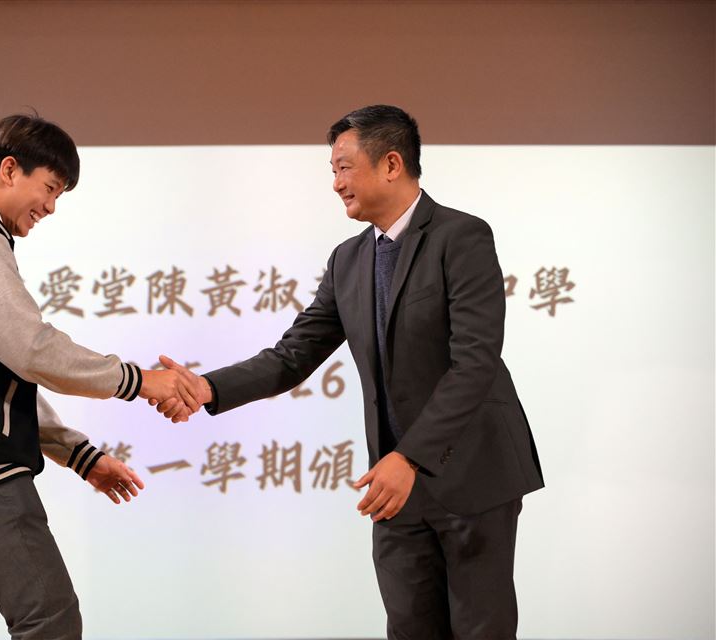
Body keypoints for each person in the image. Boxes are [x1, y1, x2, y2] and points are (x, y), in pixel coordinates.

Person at [155, 105, 543, 639]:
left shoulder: (461, 236)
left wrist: (410, 456)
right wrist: (206, 387)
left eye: (344, 167)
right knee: (408, 628)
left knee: (481, 631)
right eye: (332, 171)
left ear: (391, 164)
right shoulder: (348, 259)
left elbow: (474, 362)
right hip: (395, 488)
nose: (336, 183)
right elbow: (293, 355)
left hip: (471, 473)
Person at [0, 113, 198, 640]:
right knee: (50, 621)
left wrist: (80, 456)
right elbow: (31, 349)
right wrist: (140, 381)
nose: (51, 207)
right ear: (10, 169)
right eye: (50, 188)